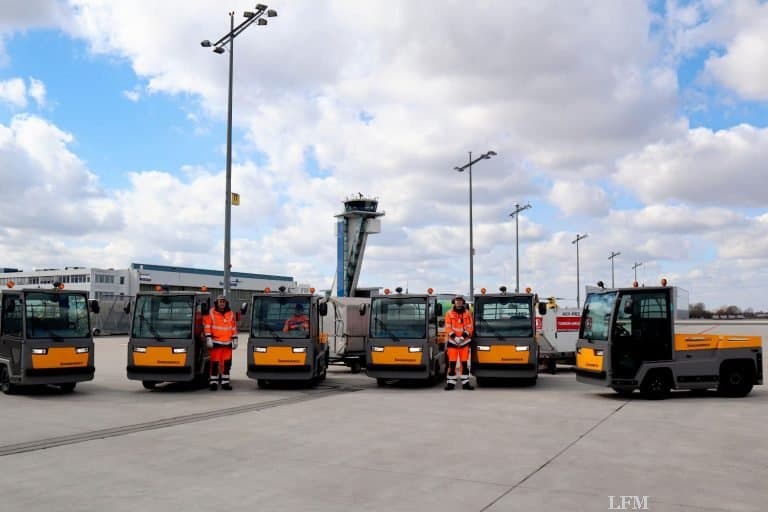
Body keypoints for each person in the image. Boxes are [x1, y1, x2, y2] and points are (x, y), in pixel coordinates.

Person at [203, 295, 238, 391]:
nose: (222, 303)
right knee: (214, 363)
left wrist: (235, 338)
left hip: (227, 343)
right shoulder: (211, 312)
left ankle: (225, 383)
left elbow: (233, 327)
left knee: (226, 364)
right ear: (217, 303)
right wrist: (208, 338)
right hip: (216, 342)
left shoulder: (230, 313)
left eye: (223, 302)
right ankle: (213, 383)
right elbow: (207, 326)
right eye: (220, 301)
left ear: (226, 303)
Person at [443, 294, 474, 390]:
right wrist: (455, 337)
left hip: (464, 343)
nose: (458, 302)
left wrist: (461, 338)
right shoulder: (449, 313)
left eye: (460, 300)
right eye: (457, 300)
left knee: (464, 364)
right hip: (452, 343)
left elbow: (470, 327)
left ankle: (465, 384)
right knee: (452, 364)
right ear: (454, 301)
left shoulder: (468, 313)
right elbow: (447, 327)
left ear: (463, 302)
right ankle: (451, 383)